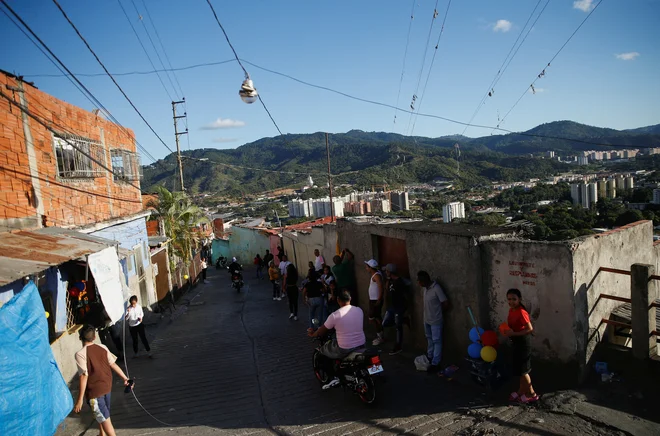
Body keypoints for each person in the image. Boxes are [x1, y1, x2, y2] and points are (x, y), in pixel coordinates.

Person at [74, 324, 131, 436]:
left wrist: (79, 399)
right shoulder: (103, 347)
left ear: (80, 337)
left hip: (95, 392)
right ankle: (102, 434)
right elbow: (113, 364)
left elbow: (84, 376)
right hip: (107, 387)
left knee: (104, 418)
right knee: (103, 415)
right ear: (94, 337)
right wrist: (125, 378)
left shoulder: (80, 354)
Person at [308, 289, 366, 389]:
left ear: (338, 300)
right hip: (361, 344)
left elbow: (322, 331)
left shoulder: (335, 315)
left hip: (345, 348)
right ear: (350, 299)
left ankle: (333, 377)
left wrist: (313, 334)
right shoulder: (359, 310)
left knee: (323, 352)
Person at [503, 288, 538, 403]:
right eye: (509, 299)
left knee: (524, 371)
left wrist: (514, 333)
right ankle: (521, 391)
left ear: (519, 299)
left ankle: (532, 394)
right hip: (516, 342)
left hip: (523, 343)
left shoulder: (522, 312)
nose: (511, 301)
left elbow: (529, 329)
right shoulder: (511, 310)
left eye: (514, 299)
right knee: (519, 370)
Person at [418, 271, 448, 373]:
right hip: (426, 319)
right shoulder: (425, 289)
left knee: (437, 341)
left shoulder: (436, 288)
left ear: (424, 281)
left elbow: (445, 302)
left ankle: (436, 363)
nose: (418, 283)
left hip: (436, 320)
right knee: (429, 339)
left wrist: (438, 313)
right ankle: (430, 356)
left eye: (420, 281)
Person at [382, 264, 407, 355]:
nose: (385, 273)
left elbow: (405, 295)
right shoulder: (390, 281)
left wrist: (404, 307)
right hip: (391, 307)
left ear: (390, 272)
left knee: (398, 328)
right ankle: (403, 320)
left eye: (386, 271)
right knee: (385, 323)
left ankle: (398, 346)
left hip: (398, 307)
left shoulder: (400, 282)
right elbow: (387, 290)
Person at [364, 259, 385, 346]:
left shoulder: (376, 276)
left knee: (373, 318)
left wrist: (379, 299)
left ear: (371, 268)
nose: (366, 268)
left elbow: (381, 287)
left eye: (367, 267)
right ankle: (380, 335)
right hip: (373, 300)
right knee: (375, 318)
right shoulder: (375, 274)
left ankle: (380, 337)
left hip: (375, 300)